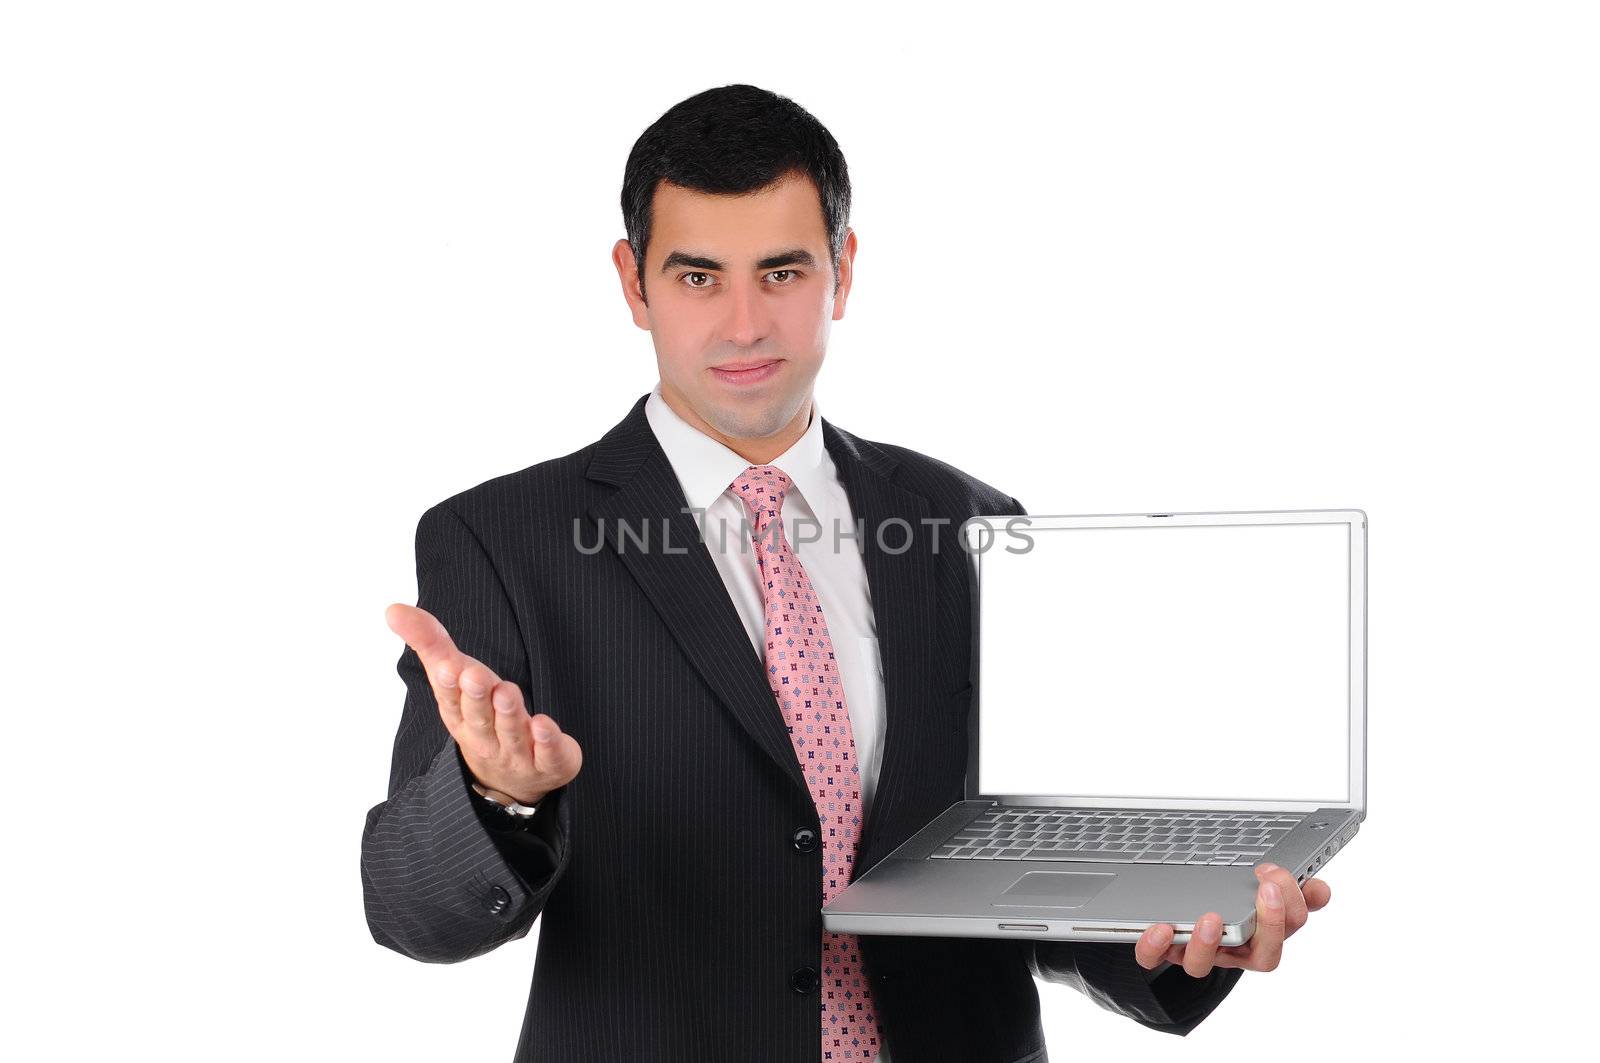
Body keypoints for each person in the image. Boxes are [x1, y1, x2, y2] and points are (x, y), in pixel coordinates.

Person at [361, 83, 1332, 1063]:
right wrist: (497, 796)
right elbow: (410, 907)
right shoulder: (504, 540)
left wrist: (1187, 931)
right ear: (632, 282)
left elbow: (1036, 884)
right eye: (698, 278)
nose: (744, 324)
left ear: (843, 270)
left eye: (781, 272)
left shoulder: (972, 523)